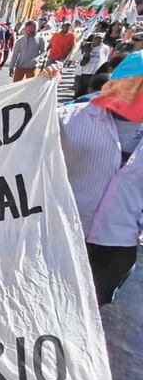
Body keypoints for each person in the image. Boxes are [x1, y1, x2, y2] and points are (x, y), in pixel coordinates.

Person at [43, 52, 143, 305]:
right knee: (43, 305)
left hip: (115, 250)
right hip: (60, 236)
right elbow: (20, 138)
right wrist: (41, 92)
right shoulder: (71, 118)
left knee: (89, 313)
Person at [74, 33, 110, 98]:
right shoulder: (86, 46)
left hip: (96, 73)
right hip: (84, 73)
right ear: (93, 39)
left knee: (91, 93)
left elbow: (105, 59)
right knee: (80, 92)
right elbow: (76, 57)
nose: (98, 40)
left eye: (100, 39)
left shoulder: (105, 48)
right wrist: (85, 54)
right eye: (96, 38)